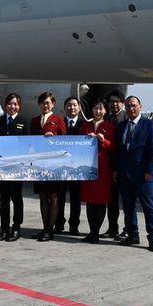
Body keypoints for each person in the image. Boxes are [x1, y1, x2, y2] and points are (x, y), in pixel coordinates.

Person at [115, 96, 153, 252]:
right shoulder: (121, 126)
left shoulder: (150, 125)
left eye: (134, 105)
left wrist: (150, 170)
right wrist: (117, 169)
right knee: (128, 207)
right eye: (128, 106)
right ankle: (133, 235)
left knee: (148, 207)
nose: (131, 108)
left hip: (143, 175)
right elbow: (118, 151)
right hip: (125, 174)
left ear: (140, 106)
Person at [30, 91, 67, 241]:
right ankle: (44, 228)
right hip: (39, 164)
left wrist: (54, 138)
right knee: (42, 197)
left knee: (53, 196)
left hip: (53, 165)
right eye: (42, 103)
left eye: (48, 103)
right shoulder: (34, 121)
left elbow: (64, 140)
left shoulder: (58, 120)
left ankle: (50, 230)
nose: (45, 105)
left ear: (53, 104)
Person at [79, 101, 115, 243]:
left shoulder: (109, 126)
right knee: (90, 201)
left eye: (101, 109)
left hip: (103, 168)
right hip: (88, 166)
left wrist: (103, 140)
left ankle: (95, 233)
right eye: (95, 108)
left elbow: (113, 147)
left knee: (100, 201)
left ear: (105, 111)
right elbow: (78, 146)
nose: (98, 111)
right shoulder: (85, 126)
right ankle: (91, 231)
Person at [0, 93, 28, 242]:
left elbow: (27, 145)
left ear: (19, 106)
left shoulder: (22, 122)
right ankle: (4, 229)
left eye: (15, 104)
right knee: (4, 199)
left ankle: (16, 228)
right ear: (5, 105)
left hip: (17, 168)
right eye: (10, 103)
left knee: (17, 199)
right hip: (3, 167)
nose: (12, 106)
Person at [57, 96, 87, 235]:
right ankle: (59, 223)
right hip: (61, 168)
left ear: (79, 108)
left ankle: (74, 225)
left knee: (75, 199)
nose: (72, 107)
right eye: (69, 105)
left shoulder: (84, 125)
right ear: (64, 108)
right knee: (60, 197)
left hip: (77, 168)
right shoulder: (59, 122)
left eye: (75, 105)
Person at [104, 90, 127, 238]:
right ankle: (113, 228)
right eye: (112, 101)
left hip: (123, 165)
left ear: (122, 103)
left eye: (117, 101)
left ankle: (128, 229)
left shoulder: (127, 117)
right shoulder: (104, 117)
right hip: (108, 166)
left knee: (127, 200)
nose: (114, 104)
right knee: (111, 200)